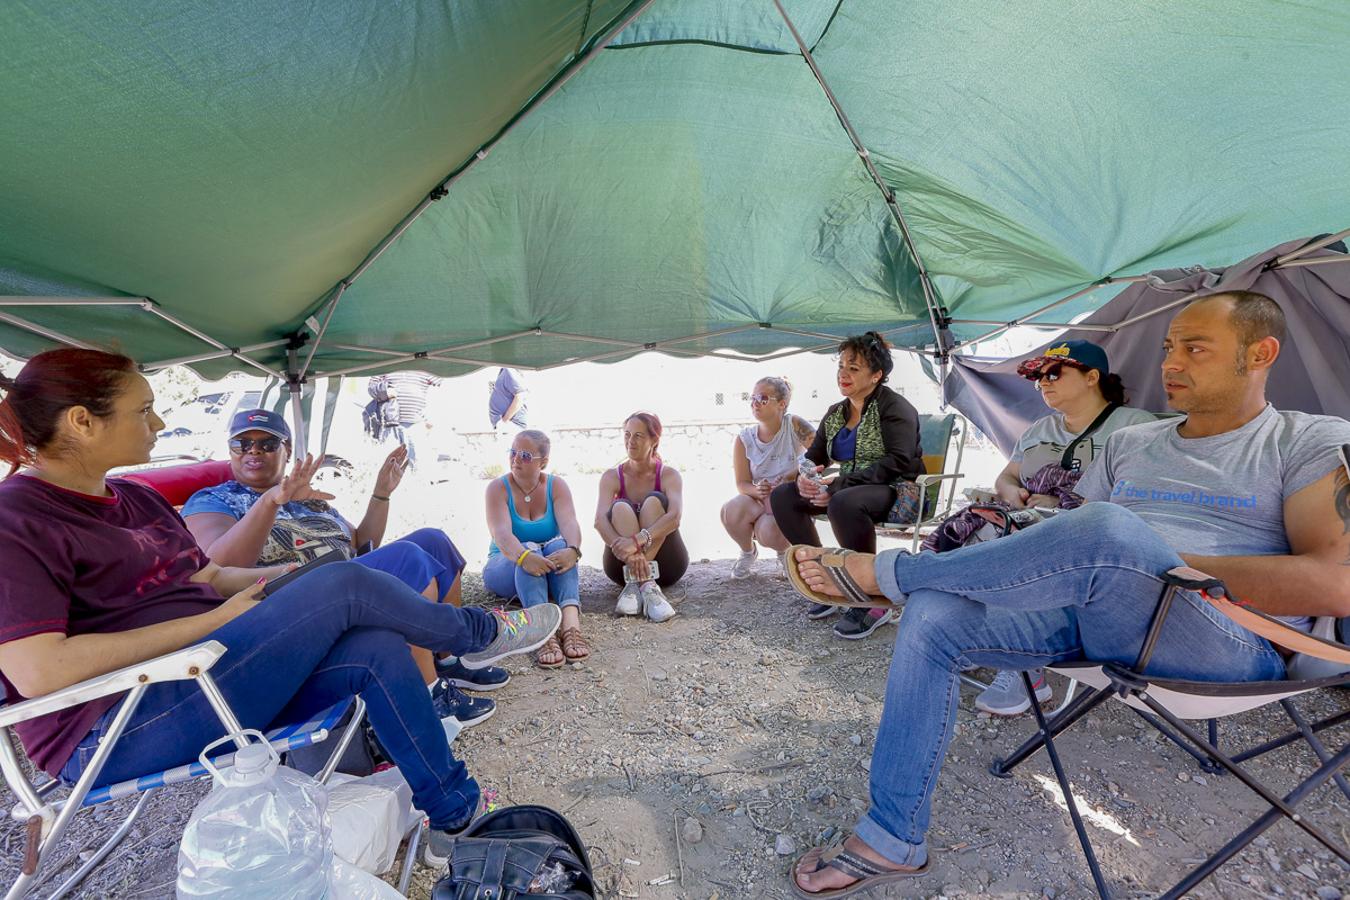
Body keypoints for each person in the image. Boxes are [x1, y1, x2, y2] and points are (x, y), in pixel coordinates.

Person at [785, 292, 1350, 896]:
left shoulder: (1305, 440)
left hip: (1224, 637)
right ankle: (894, 838)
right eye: (1167, 348)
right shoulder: (1134, 444)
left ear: (1260, 353)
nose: (1171, 364)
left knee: (1106, 530)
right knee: (938, 612)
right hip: (1097, 615)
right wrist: (1098, 552)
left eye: (1195, 348)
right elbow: (1076, 538)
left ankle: (889, 576)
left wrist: (1157, 564)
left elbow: (1335, 583)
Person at [0, 349, 563, 867]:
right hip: (114, 724)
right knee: (343, 584)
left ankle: (454, 818)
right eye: (144, 410)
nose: (159, 425)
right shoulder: (19, 520)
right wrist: (215, 622)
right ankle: (477, 633)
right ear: (81, 420)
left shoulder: (136, 497)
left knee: (373, 645)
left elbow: (210, 575)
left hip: (207, 670)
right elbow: (39, 669)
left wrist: (292, 585)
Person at [181, 410, 507, 729]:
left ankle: (446, 658)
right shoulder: (214, 499)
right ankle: (426, 695)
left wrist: (382, 492)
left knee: (433, 541)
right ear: (231, 451)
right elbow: (218, 567)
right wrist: (270, 502)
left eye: (266, 443)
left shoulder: (307, 498)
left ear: (287, 451)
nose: (253, 451)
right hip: (286, 607)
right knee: (408, 557)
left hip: (346, 584)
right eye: (242, 444)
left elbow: (362, 544)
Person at [944, 340, 1155, 716]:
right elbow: (1008, 476)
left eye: (1054, 373)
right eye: (1039, 377)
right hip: (1026, 521)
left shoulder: (1135, 426)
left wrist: (1060, 504)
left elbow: (1140, 499)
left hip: (1091, 538)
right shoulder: (1041, 428)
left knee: (1020, 549)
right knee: (971, 539)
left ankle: (1027, 671)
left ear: (1092, 377)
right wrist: (1012, 495)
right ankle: (978, 639)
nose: (1043, 382)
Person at [770, 332, 923, 640]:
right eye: (841, 366)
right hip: (849, 488)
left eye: (854, 368)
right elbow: (813, 457)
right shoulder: (837, 412)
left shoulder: (895, 408)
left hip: (898, 490)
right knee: (784, 496)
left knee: (844, 501)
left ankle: (868, 595)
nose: (843, 373)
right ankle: (821, 574)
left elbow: (898, 461)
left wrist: (838, 485)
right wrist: (806, 478)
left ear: (877, 375)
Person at [483, 430, 590, 668]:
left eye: (525, 455)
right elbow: (501, 534)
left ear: (543, 462)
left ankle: (571, 625)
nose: (515, 459)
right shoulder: (497, 488)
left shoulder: (556, 486)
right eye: (512, 452)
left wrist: (573, 550)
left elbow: (570, 523)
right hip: (505, 564)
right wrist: (524, 556)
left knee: (561, 545)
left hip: (544, 565)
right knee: (529, 547)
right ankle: (541, 631)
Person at [595, 412, 688, 622]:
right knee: (619, 507)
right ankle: (643, 581)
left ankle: (643, 582)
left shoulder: (668, 475)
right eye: (627, 434)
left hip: (667, 565)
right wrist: (630, 555)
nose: (630, 441)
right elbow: (600, 521)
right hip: (621, 567)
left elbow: (674, 517)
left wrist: (637, 541)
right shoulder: (611, 476)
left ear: (654, 440)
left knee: (654, 501)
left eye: (638, 435)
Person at [720, 376, 816, 578]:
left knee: (768, 532)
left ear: (782, 404)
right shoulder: (744, 438)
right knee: (730, 511)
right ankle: (747, 552)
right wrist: (756, 489)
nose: (755, 403)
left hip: (788, 501)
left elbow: (821, 452)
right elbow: (741, 483)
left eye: (763, 398)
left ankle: (784, 554)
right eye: (752, 397)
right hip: (759, 499)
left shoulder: (794, 425)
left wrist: (795, 474)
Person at [369, 370, 441, 467]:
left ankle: (415, 478)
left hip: (416, 422)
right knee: (388, 458)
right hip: (390, 422)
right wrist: (386, 392)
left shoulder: (423, 366)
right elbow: (371, 387)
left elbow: (441, 380)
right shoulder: (389, 363)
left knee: (414, 460)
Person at [488, 367, 528, 431]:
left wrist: (504, 420)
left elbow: (520, 396)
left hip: (511, 425)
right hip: (507, 425)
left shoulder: (509, 370)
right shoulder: (505, 371)